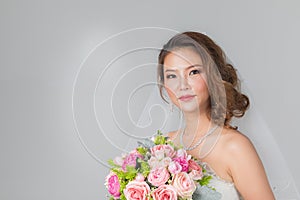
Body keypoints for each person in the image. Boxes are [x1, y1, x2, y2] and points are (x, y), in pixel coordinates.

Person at [157, 31, 275, 199]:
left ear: (214, 76)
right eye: (171, 75)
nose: (182, 85)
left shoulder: (235, 147)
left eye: (193, 72)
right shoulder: (162, 147)